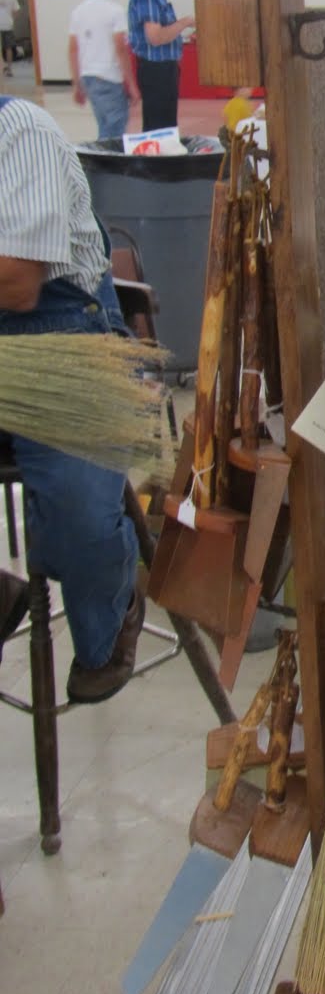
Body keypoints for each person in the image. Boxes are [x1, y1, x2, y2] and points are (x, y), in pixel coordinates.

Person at [0, 94, 143, 701]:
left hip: (56, 334)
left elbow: (18, 282)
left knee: (80, 529)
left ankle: (113, 609)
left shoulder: (19, 132)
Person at [68, 0, 139, 141]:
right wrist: (131, 84)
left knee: (104, 126)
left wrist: (77, 83)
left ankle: (101, 164)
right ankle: (108, 167)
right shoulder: (115, 11)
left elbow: (73, 48)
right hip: (109, 76)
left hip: (89, 76)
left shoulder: (78, 11)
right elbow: (120, 49)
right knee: (115, 131)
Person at [127, 0, 194, 133]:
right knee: (158, 127)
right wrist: (185, 22)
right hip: (155, 70)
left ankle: (165, 159)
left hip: (165, 68)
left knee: (167, 125)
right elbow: (155, 37)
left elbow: (164, 32)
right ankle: (156, 161)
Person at [0, 0, 20, 78]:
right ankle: (9, 69)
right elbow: (16, 10)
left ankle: (1, 68)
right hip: (8, 24)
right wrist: (12, 20)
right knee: (8, 48)